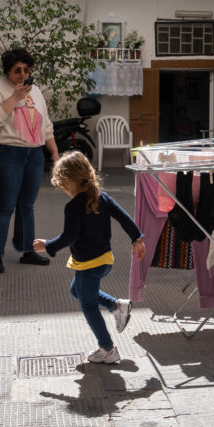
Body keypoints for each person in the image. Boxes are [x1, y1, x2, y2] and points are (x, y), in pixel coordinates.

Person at [33, 152, 146, 364]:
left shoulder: (74, 206)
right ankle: (116, 306)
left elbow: (69, 236)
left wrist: (47, 246)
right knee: (76, 290)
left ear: (68, 181)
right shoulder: (102, 197)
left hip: (88, 265)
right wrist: (136, 239)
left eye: (63, 186)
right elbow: (124, 217)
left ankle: (108, 349)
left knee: (88, 305)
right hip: (103, 261)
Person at [0, 48, 59, 274]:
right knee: (5, 206)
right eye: (17, 70)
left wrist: (54, 153)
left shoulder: (36, 92)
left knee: (27, 206)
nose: (23, 75)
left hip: (34, 154)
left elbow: (46, 125)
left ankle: (28, 251)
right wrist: (14, 97)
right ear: (8, 71)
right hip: (7, 153)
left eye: (26, 70)